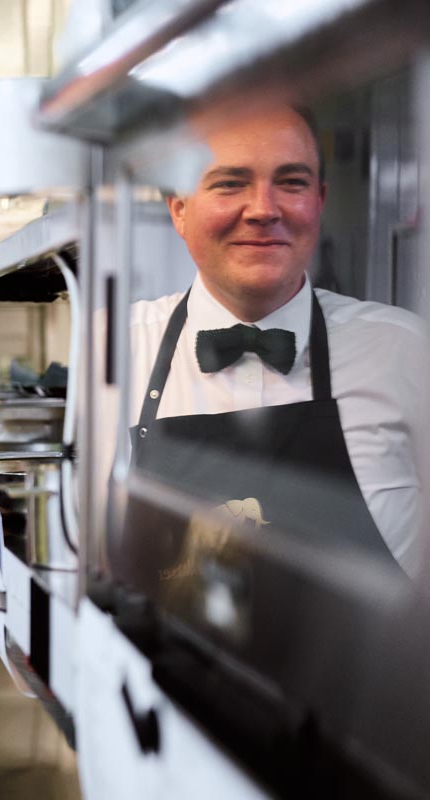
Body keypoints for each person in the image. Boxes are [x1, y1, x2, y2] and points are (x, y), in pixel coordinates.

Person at [112, 104, 425, 585]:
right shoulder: (114, 350)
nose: (263, 209)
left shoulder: (405, 351)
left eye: (292, 182)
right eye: (229, 182)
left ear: (319, 201)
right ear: (179, 208)